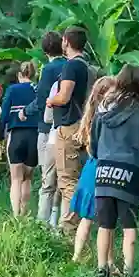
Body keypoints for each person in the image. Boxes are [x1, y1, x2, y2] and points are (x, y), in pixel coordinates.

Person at [91, 65, 139, 277]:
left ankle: (102, 272)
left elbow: (94, 144)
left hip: (104, 170)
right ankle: (128, 274)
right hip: (130, 171)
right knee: (129, 226)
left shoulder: (103, 110)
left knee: (104, 225)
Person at [46, 26, 93, 232]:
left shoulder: (71, 66)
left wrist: (51, 100)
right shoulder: (86, 66)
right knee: (74, 177)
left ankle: (70, 228)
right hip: (80, 124)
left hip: (68, 125)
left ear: (66, 41)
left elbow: (64, 96)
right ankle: (73, 225)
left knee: (67, 180)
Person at [69, 76, 117, 264]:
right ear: (103, 95)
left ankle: (79, 258)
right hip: (99, 168)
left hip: (92, 168)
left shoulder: (93, 115)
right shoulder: (104, 117)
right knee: (96, 220)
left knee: (91, 220)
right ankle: (102, 260)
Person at [21, 32, 66, 227]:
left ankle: (42, 223)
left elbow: (41, 101)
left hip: (48, 128)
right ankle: (57, 220)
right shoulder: (71, 66)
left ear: (45, 50)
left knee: (48, 179)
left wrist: (25, 111)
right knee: (65, 178)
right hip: (70, 127)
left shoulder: (49, 69)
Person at [0, 62, 40, 216]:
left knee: (16, 178)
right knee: (27, 178)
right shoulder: (38, 90)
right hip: (35, 136)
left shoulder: (12, 90)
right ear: (34, 75)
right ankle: (24, 212)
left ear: (19, 75)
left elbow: (4, 115)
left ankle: (16, 216)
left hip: (16, 135)